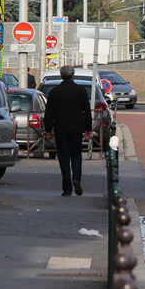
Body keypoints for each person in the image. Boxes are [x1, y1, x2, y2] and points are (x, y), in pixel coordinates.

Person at [43, 65, 92, 196]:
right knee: (76, 154)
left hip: (60, 128)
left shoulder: (54, 91)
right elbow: (87, 111)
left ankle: (67, 189)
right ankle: (76, 177)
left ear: (61, 75)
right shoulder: (81, 90)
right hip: (77, 128)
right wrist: (88, 128)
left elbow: (49, 112)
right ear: (73, 75)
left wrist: (48, 129)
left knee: (64, 157)